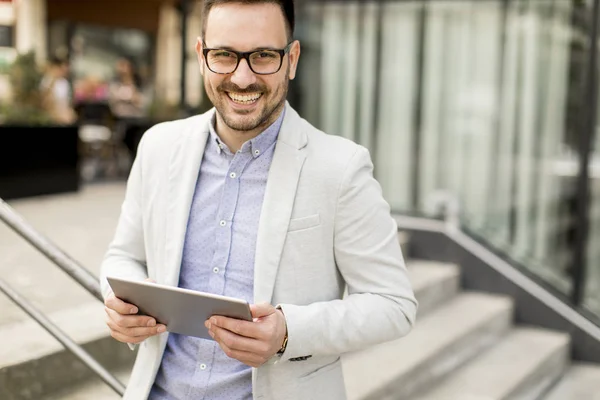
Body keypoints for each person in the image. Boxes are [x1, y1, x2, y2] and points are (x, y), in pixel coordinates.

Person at [100, 1, 417, 399]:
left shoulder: (341, 167)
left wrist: (288, 332)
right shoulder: (158, 146)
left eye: (264, 55)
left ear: (292, 59)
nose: (243, 77)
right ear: (201, 56)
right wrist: (118, 303)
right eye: (224, 55)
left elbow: (394, 304)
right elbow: (122, 256)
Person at [40, 57, 76, 125]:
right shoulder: (46, 80)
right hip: (51, 112)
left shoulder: (65, 82)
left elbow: (66, 101)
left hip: (63, 112)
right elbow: (45, 101)